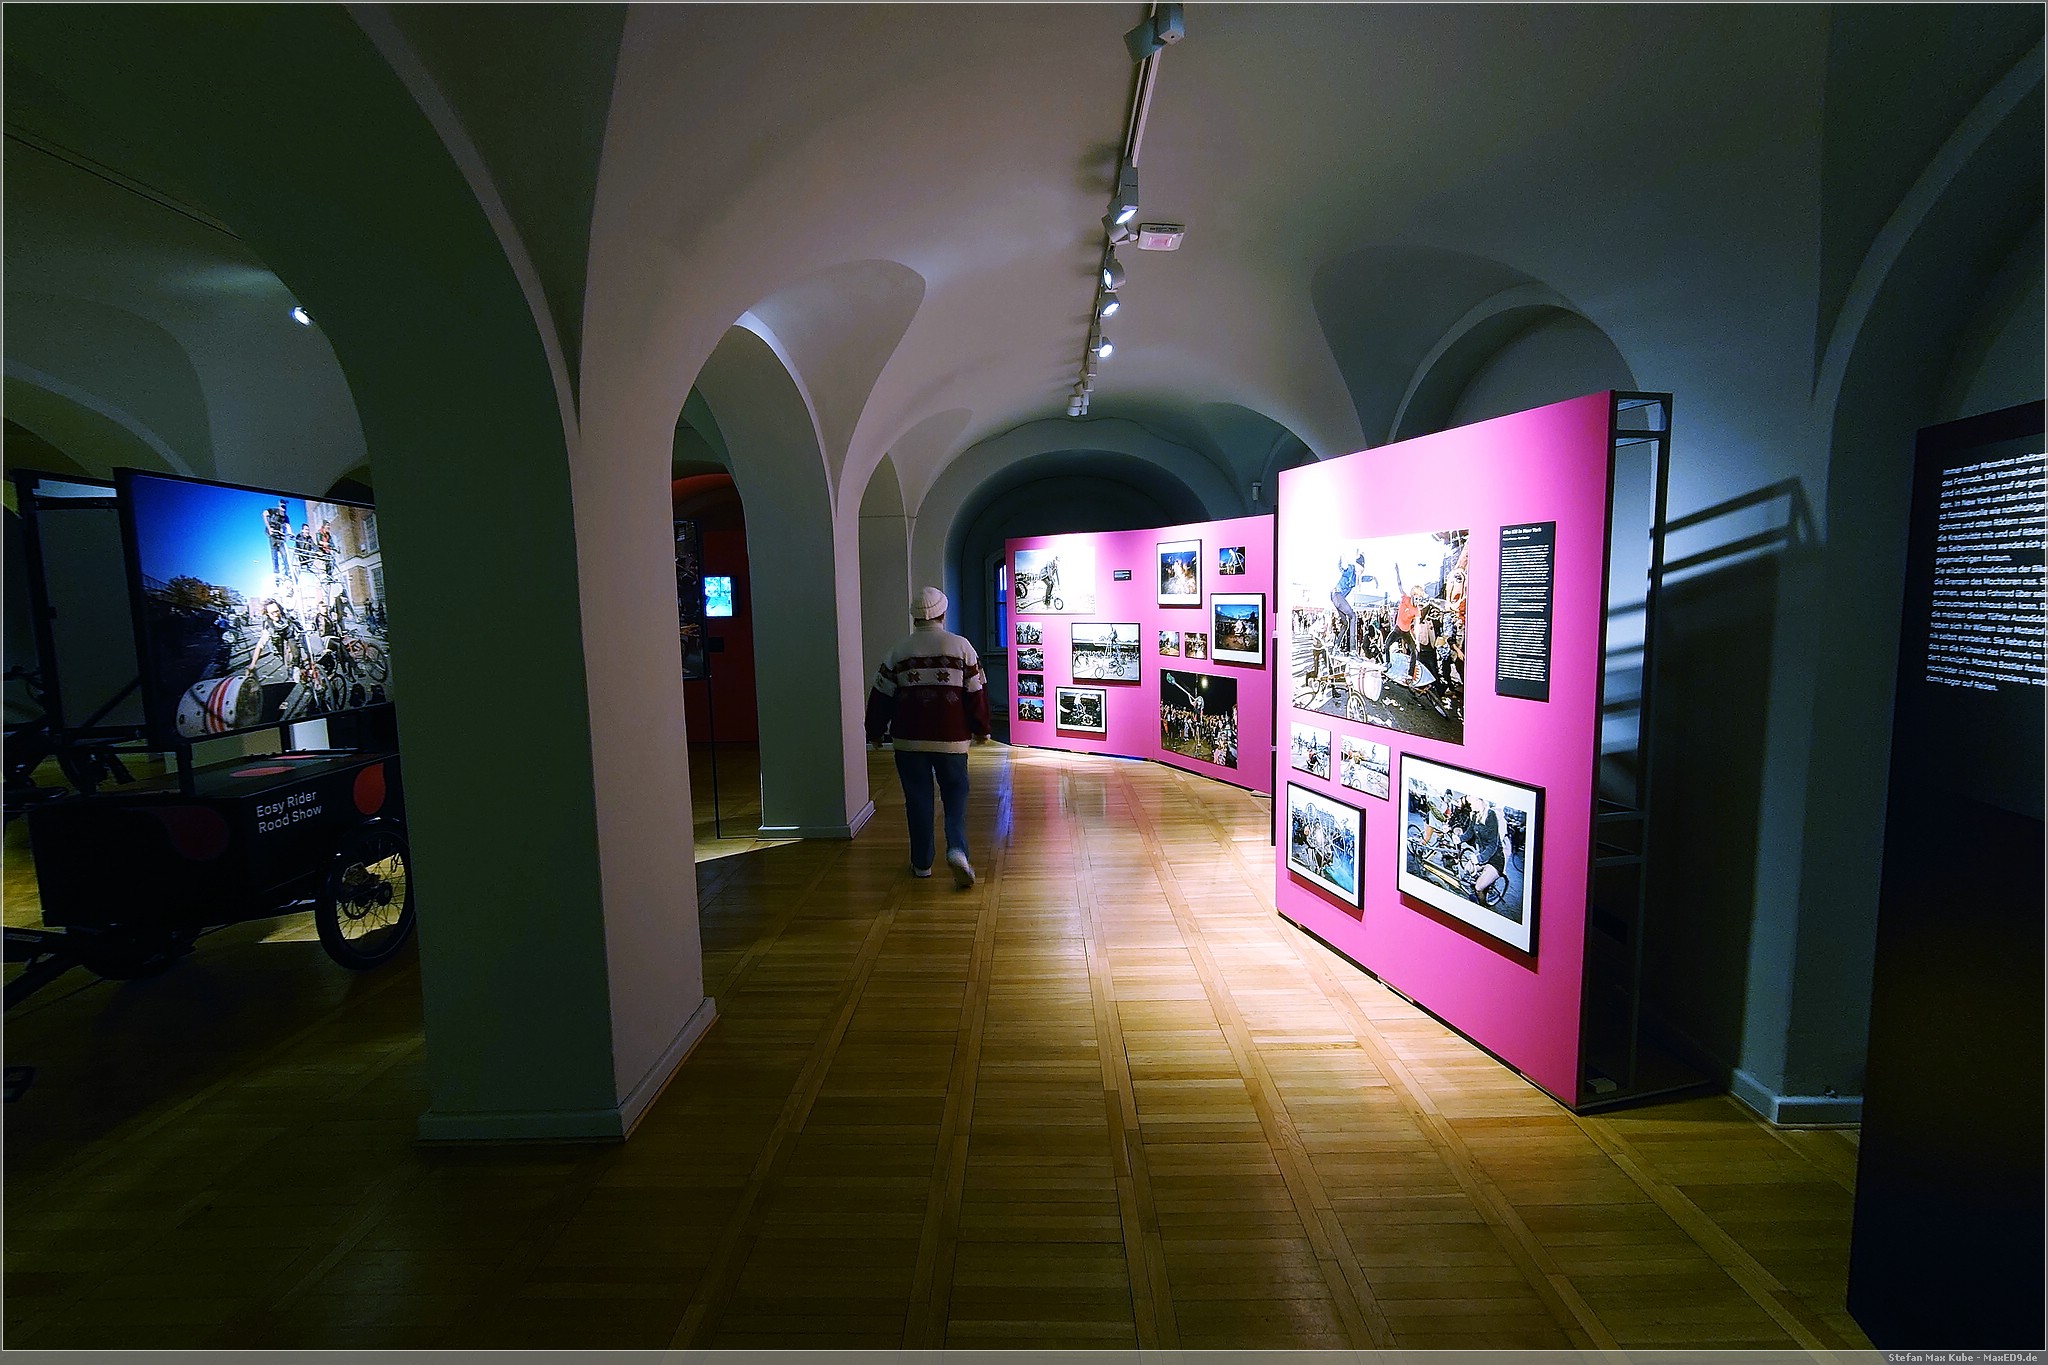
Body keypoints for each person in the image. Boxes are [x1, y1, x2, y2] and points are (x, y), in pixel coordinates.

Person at [864, 586, 991, 887]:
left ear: (915, 618)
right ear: (943, 613)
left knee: (918, 800)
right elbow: (976, 693)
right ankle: (957, 849)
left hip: (909, 741)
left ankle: (922, 863)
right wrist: (982, 728)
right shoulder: (961, 647)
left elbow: (881, 696)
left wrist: (875, 731)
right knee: (955, 797)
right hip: (952, 741)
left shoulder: (899, 651)